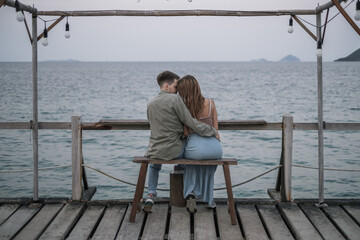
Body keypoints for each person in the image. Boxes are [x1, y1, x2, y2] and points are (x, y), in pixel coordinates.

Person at [143, 71, 219, 213]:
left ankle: (150, 194)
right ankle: (192, 191)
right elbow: (191, 123)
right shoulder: (176, 100)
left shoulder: (150, 103)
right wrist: (213, 131)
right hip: (175, 152)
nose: (178, 91)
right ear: (167, 86)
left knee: (154, 165)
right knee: (188, 153)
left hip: (154, 150)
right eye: (176, 87)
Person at [177, 75, 223, 213]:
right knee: (209, 165)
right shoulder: (210, 103)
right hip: (215, 148)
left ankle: (191, 192)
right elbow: (215, 129)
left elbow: (186, 133)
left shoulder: (184, 107)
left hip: (195, 146)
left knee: (190, 161)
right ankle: (209, 199)